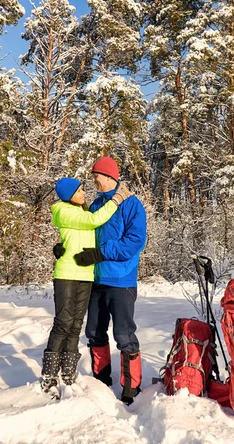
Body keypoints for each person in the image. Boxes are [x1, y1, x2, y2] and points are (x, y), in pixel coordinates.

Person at [40, 176, 131, 396]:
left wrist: (62, 244)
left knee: (76, 323)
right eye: (79, 191)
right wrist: (117, 199)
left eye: (82, 190)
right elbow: (93, 222)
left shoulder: (80, 212)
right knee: (63, 322)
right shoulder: (63, 210)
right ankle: (49, 375)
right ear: (68, 196)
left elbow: (80, 235)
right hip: (67, 275)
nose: (83, 193)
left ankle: (68, 373)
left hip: (86, 274)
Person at [74, 156, 147, 404]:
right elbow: (85, 236)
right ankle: (101, 382)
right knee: (94, 332)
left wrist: (103, 252)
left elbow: (135, 242)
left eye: (96, 175)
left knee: (124, 335)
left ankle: (131, 388)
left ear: (109, 177)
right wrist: (66, 248)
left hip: (121, 280)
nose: (93, 180)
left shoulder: (131, 205)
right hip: (96, 280)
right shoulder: (96, 206)